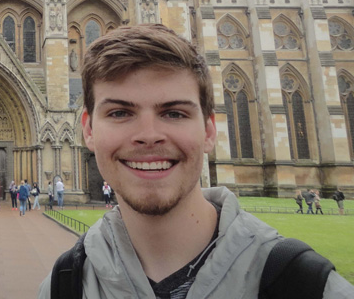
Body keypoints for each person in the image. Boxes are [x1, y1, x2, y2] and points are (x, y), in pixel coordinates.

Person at [37, 25, 353, 298]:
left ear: (209, 129)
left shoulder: (305, 286)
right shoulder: (62, 287)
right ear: (88, 130)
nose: (149, 135)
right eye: (120, 112)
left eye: (174, 113)